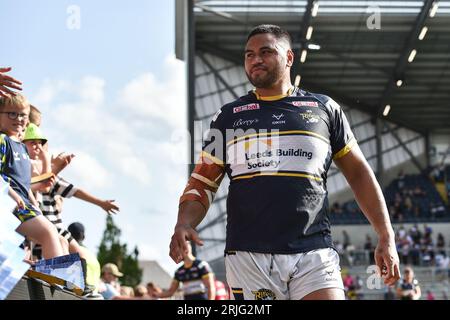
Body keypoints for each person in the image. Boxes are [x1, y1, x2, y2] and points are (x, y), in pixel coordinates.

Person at [169, 24, 400, 300]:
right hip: (248, 256)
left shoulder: (324, 109)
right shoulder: (228, 116)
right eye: (249, 54)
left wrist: (385, 234)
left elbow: (360, 174)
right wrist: (184, 222)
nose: (255, 59)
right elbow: (203, 181)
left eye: (265, 52)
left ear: (289, 57)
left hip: (314, 250)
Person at [0, 93, 63, 259]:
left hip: (22, 203)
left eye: (23, 115)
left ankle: (56, 280)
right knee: (48, 232)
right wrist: (12, 195)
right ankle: (58, 281)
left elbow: (24, 184)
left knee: (58, 238)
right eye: (12, 113)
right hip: (8, 204)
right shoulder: (2, 141)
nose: (19, 118)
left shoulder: (21, 147)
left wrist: (35, 206)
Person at [68, 222, 102, 293]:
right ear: (83, 236)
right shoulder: (93, 256)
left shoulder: (68, 251)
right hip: (94, 295)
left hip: (78, 294)